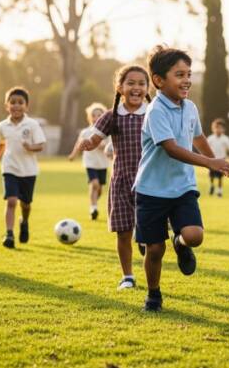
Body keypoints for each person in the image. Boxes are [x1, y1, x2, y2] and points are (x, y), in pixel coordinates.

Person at [134, 46, 229, 311]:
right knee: (154, 250)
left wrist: (215, 164)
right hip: (151, 190)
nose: (187, 80)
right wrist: (209, 162)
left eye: (189, 73)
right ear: (158, 80)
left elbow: (198, 137)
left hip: (182, 188)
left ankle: (179, 243)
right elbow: (172, 148)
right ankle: (153, 295)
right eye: (179, 74)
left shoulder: (190, 107)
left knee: (194, 235)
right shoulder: (155, 111)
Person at [79, 65, 151, 290]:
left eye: (141, 83)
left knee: (150, 233)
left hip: (149, 182)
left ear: (148, 88)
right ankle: (127, 276)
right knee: (122, 232)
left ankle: (143, 241)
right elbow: (95, 137)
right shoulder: (112, 115)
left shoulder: (152, 113)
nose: (136, 88)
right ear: (120, 87)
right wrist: (89, 143)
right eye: (131, 83)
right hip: (121, 181)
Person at [0, 87, 46, 249]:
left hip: (29, 171)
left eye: (20, 102)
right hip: (10, 168)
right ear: (7, 105)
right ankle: (9, 234)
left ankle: (24, 221)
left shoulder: (32, 124)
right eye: (12, 102)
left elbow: (40, 145)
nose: (16, 106)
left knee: (25, 204)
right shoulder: (2, 126)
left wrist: (30, 147)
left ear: (26, 106)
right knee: (11, 201)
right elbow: (1, 144)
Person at [69, 103, 111, 221]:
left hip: (102, 164)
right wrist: (73, 155)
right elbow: (78, 144)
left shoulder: (106, 133)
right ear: (90, 117)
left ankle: (93, 203)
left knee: (100, 189)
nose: (96, 117)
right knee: (94, 184)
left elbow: (109, 147)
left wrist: (102, 146)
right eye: (94, 115)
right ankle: (93, 208)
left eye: (99, 115)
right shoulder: (85, 132)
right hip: (90, 163)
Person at [206, 118, 229, 197]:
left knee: (220, 176)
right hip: (212, 159)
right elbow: (205, 148)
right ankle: (212, 186)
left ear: (223, 129)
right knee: (211, 175)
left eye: (220, 128)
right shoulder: (210, 138)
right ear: (213, 129)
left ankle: (219, 191)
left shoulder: (225, 139)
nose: (218, 129)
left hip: (222, 160)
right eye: (216, 127)